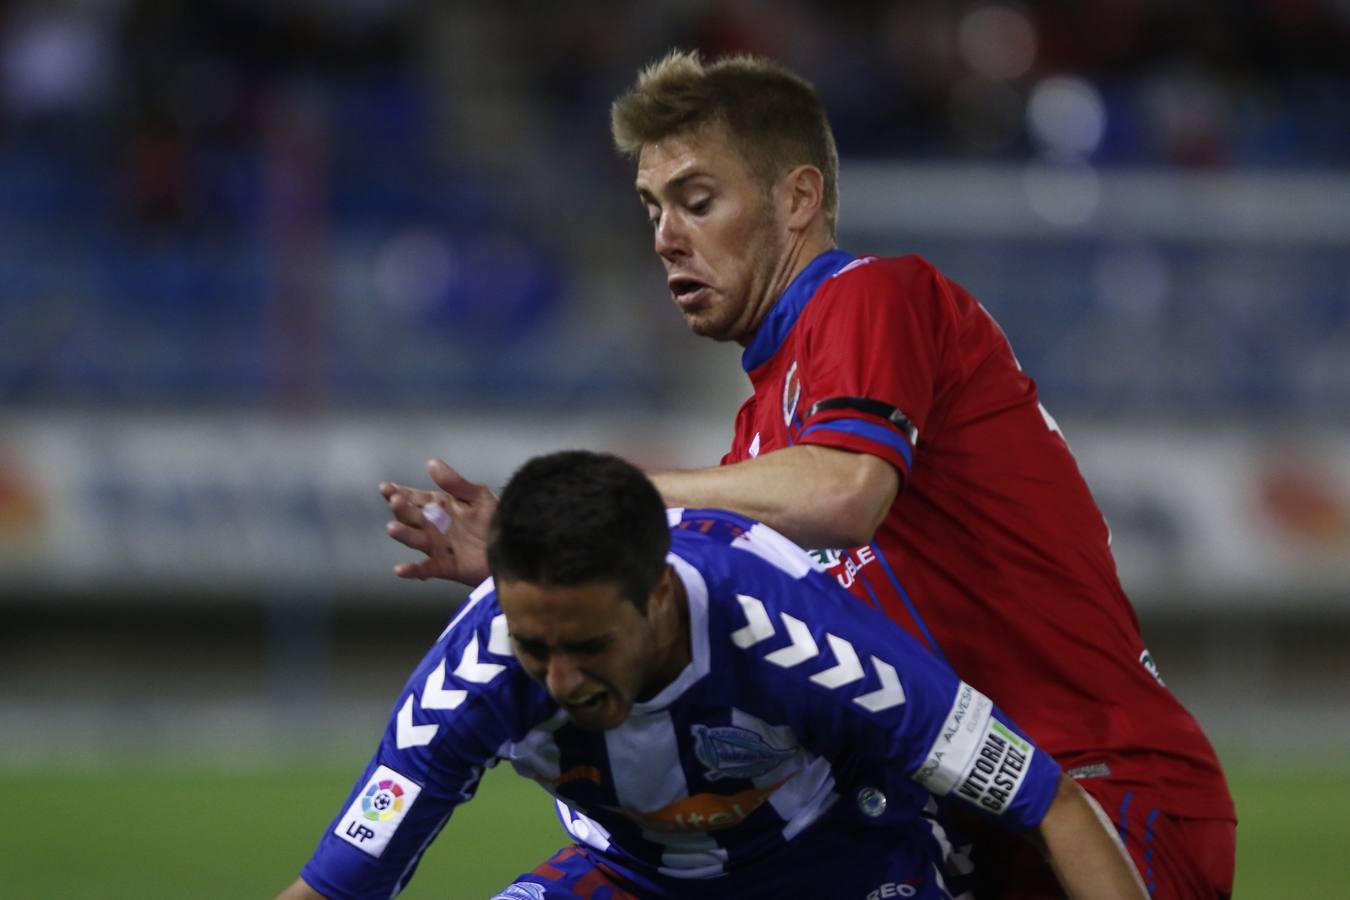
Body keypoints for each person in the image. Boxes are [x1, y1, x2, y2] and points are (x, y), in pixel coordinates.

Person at [380, 52, 1234, 898]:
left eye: (697, 200)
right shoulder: (759, 439)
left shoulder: (872, 297)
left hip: (1101, 790)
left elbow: (842, 496)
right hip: (954, 822)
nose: (665, 237)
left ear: (798, 198)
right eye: (651, 208)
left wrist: (616, 500)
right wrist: (526, 555)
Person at [280, 451, 1146, 900]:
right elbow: (335, 885)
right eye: (535, 646)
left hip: (838, 862)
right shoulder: (474, 677)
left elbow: (1052, 803)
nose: (559, 681)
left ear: (659, 595)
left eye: (586, 645)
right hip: (632, 874)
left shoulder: (808, 642)